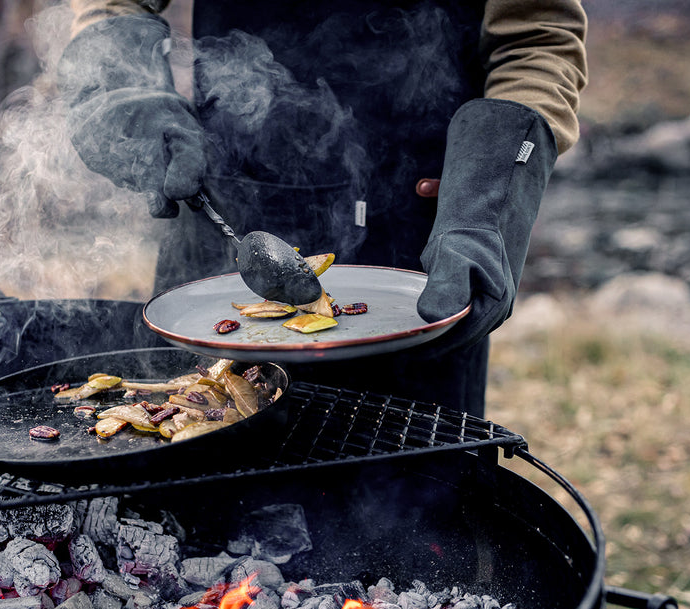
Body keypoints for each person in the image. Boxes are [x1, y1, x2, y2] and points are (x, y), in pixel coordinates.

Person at [57, 0, 587, 417]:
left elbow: (538, 37)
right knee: (196, 481)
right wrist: (118, 84)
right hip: (229, 207)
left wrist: (492, 189)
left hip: (423, 238)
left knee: (421, 511)